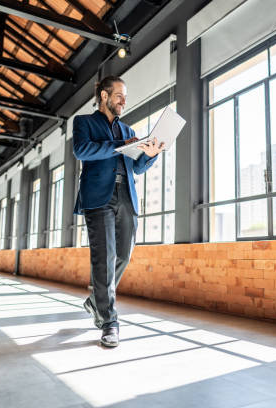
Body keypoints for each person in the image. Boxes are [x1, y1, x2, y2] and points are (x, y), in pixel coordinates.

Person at [73, 75, 164, 347]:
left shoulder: (128, 131)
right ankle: (109, 322)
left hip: (126, 197)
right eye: (119, 95)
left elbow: (135, 167)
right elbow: (82, 150)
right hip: (98, 199)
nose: (124, 100)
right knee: (104, 259)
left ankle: (95, 301)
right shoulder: (84, 123)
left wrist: (151, 153)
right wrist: (119, 147)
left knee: (122, 255)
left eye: (125, 96)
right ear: (103, 96)